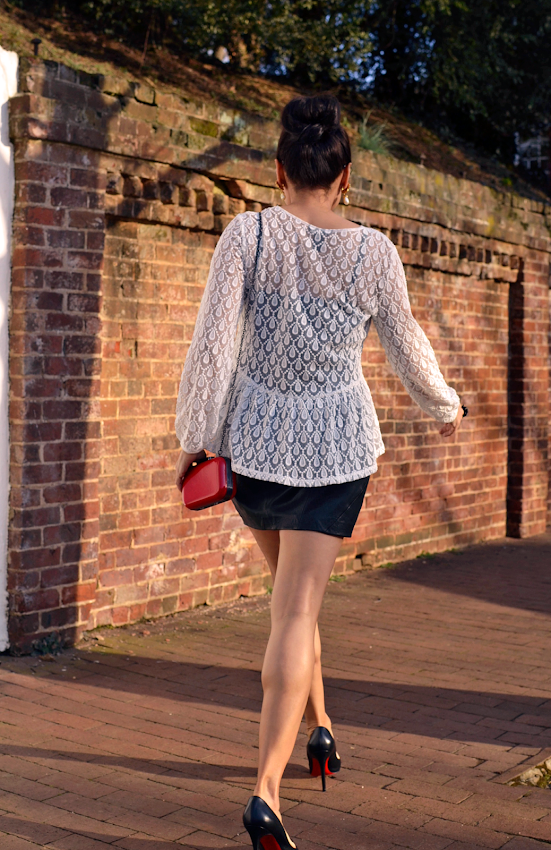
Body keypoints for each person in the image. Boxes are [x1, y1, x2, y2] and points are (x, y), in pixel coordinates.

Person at [174, 94, 464, 850]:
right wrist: (444, 407)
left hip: (259, 445)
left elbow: (212, 347)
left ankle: (322, 729)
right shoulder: (374, 251)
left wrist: (197, 436)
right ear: (343, 177)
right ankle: (265, 790)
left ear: (279, 171)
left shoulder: (248, 233)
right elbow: (407, 345)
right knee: (295, 610)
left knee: (289, 604)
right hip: (335, 449)